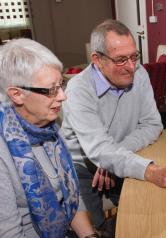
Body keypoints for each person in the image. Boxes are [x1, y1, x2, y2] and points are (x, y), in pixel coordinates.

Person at [61, 19, 166, 235]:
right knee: (96, 230)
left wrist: (114, 155)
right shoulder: (78, 88)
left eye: (134, 56)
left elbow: (152, 124)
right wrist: (148, 170)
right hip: (80, 168)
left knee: (152, 210)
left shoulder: (139, 73)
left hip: (118, 156)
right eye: (121, 59)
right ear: (98, 60)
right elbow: (100, 150)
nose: (131, 66)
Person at [0, 39, 97, 237]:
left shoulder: (50, 123)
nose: (63, 96)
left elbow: (71, 193)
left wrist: (90, 236)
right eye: (51, 89)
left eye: (61, 84)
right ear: (17, 94)